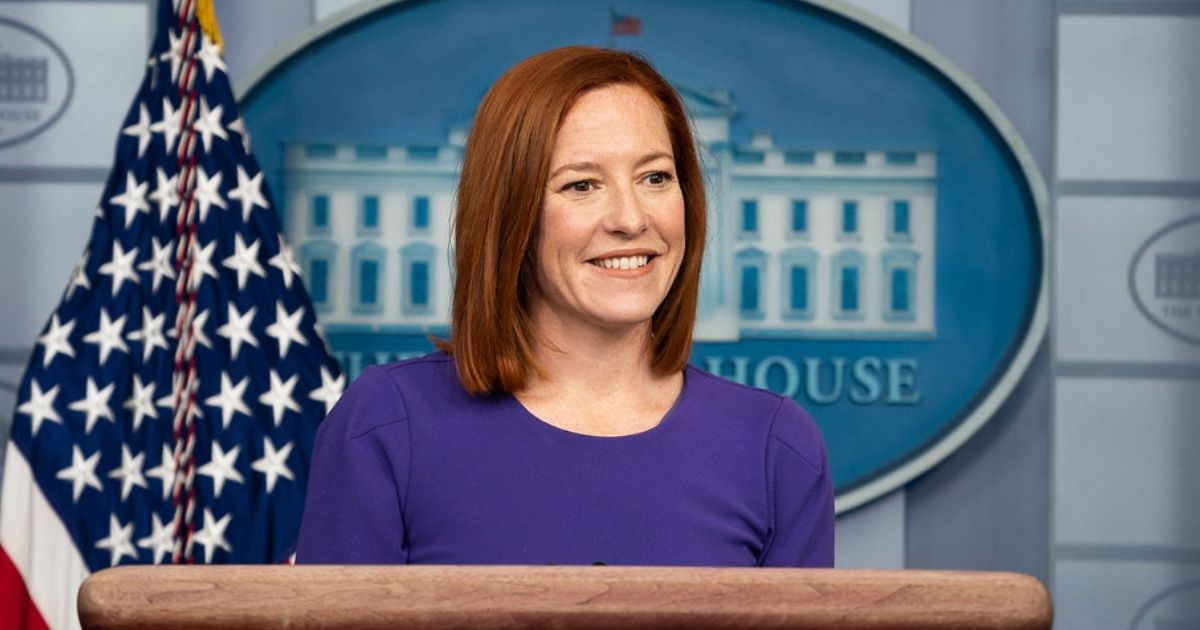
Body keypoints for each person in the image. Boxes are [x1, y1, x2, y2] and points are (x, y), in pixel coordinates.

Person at [295, 46, 834, 567]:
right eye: (581, 185)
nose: (630, 218)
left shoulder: (776, 447)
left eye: (655, 177)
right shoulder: (387, 425)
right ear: (511, 216)